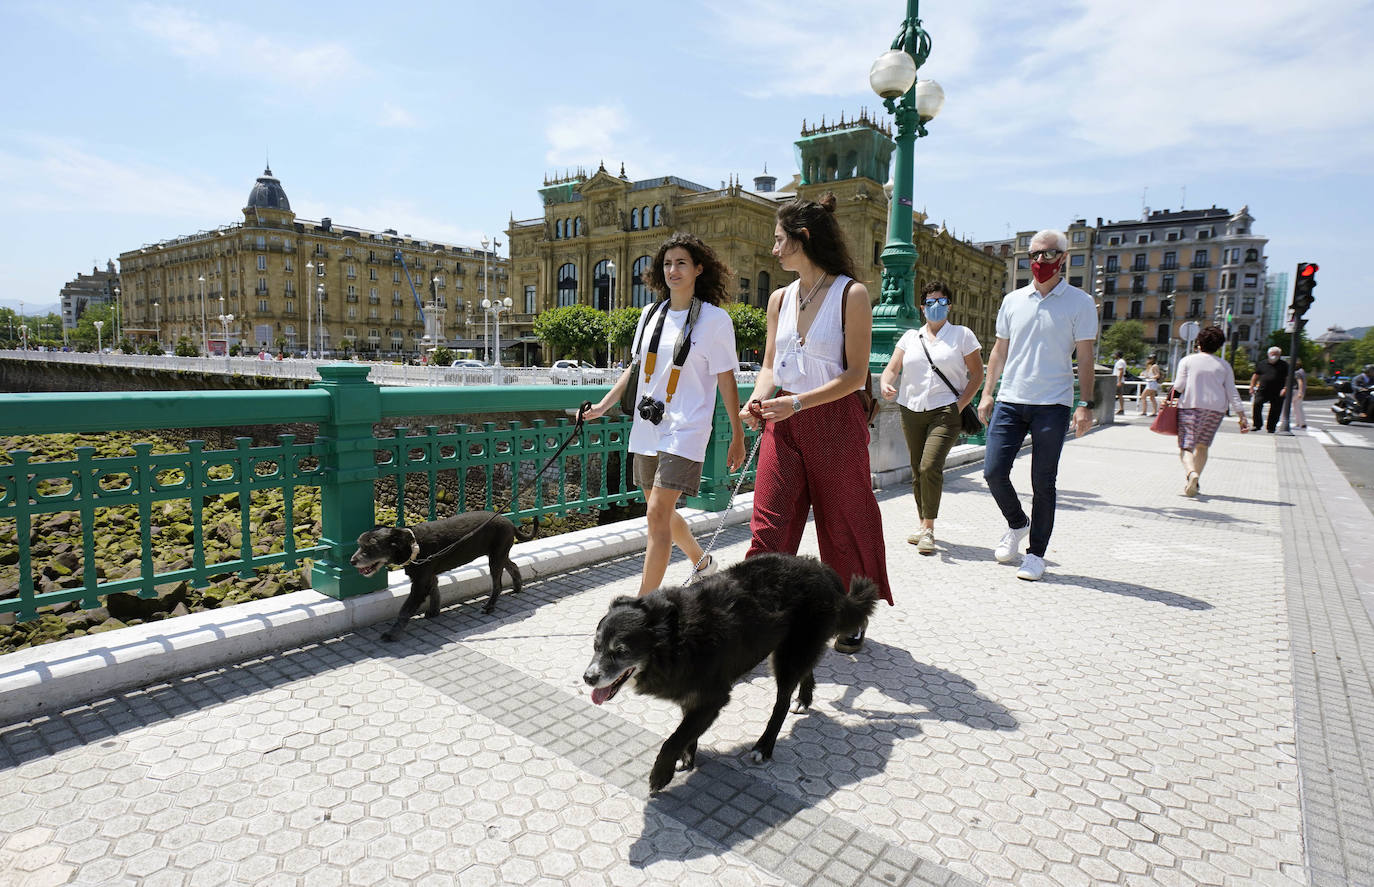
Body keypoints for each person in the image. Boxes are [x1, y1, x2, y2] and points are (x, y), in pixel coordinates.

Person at [739, 194, 892, 652]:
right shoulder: (779, 298)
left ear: (803, 239)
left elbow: (856, 376)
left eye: (779, 240)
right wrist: (757, 399)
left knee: (842, 522)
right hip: (783, 421)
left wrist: (798, 404)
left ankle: (849, 612)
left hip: (834, 419)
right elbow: (769, 364)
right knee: (769, 522)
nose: (773, 250)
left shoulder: (852, 293)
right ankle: (759, 615)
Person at [585, 232, 746, 596]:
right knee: (658, 509)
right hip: (647, 425)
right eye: (667, 263)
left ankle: (641, 607)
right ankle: (702, 562)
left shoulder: (716, 320)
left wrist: (737, 434)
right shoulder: (650, 313)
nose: (673, 270)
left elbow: (726, 381)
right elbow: (634, 369)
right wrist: (603, 406)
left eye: (682, 263)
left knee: (657, 514)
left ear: (699, 269)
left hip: (687, 428)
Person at [977, 228, 1098, 582]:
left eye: (1047, 254)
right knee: (993, 472)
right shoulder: (1012, 300)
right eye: (1034, 254)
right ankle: (1017, 523)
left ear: (1062, 257)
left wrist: (1085, 403)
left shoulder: (1080, 302)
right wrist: (987, 393)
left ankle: (1036, 554)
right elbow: (999, 351)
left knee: (1043, 482)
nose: (1040, 261)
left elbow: (1086, 357)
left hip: (1053, 403)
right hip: (1010, 399)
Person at [879, 281, 983, 556]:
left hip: (945, 411)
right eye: (930, 302)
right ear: (922, 307)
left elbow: (977, 375)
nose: (936, 307)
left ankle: (929, 530)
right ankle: (922, 523)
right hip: (910, 409)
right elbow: (891, 368)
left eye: (942, 302)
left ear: (949, 306)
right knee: (916, 469)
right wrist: (886, 384)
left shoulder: (962, 335)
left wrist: (959, 406)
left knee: (929, 467)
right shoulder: (910, 338)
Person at [1171, 326, 1249, 496]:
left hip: (1191, 407)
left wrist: (1168, 401)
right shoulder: (1224, 365)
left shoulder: (1188, 361)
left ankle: (1192, 474)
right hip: (1215, 410)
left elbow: (1178, 386)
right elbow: (1232, 391)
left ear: (1199, 342)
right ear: (1219, 345)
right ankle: (1195, 483)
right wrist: (1242, 415)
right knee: (1203, 446)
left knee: (1186, 447)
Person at [1249, 346, 1288, 433]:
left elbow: (1288, 378)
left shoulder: (1284, 365)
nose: (1274, 356)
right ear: (1268, 354)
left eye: (1277, 354)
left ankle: (1271, 427)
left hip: (1278, 391)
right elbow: (1255, 375)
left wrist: (1285, 388)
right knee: (1257, 404)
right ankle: (1257, 424)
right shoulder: (1262, 363)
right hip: (1263, 390)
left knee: (1275, 409)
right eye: (1273, 354)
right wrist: (1252, 386)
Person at [1290, 359, 1307, 428]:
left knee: (1296, 407)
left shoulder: (1297, 373)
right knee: (1298, 407)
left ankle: (1300, 423)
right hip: (1301, 391)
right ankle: (1300, 422)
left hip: (1296, 391)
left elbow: (1300, 382)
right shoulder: (1302, 371)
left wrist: (1300, 391)